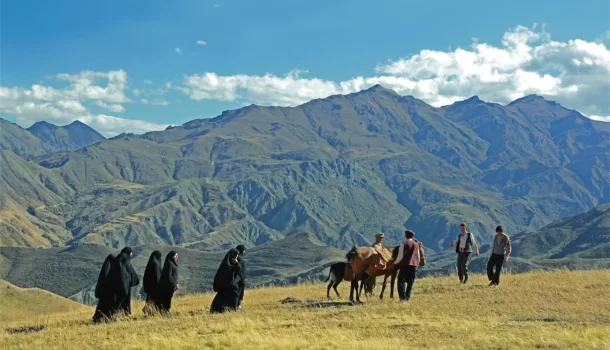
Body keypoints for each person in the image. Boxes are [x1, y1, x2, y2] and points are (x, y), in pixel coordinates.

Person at [107, 247, 140, 317]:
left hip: (118, 285)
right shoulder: (125, 260)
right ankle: (122, 314)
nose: (131, 254)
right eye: (131, 252)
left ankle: (120, 315)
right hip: (125, 285)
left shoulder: (117, 261)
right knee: (122, 300)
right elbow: (130, 273)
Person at [210, 248, 242, 313]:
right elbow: (238, 271)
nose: (237, 256)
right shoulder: (234, 263)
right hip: (232, 285)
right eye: (237, 255)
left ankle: (217, 310)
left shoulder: (225, 263)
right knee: (234, 298)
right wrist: (237, 262)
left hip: (224, 286)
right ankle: (233, 309)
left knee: (221, 298)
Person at [392, 230, 420, 301]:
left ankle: (402, 298)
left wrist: (395, 263)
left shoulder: (403, 244)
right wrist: (417, 264)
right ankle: (407, 297)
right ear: (412, 236)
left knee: (401, 281)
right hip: (413, 265)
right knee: (410, 282)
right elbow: (418, 256)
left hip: (405, 265)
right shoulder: (416, 244)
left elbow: (400, 256)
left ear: (405, 236)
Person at [92, 254, 115, 323]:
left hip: (103, 294)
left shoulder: (104, 271)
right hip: (108, 294)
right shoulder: (111, 270)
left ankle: (98, 319)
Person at [142, 250, 163, 315]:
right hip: (155, 286)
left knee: (150, 299)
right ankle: (150, 311)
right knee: (154, 300)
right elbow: (157, 276)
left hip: (150, 287)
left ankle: (148, 311)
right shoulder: (156, 264)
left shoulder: (151, 263)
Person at [235, 245, 247, 309]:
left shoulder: (235, 259)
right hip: (239, 280)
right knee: (239, 293)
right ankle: (237, 305)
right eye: (244, 250)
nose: (245, 251)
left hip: (237, 280)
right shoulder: (240, 260)